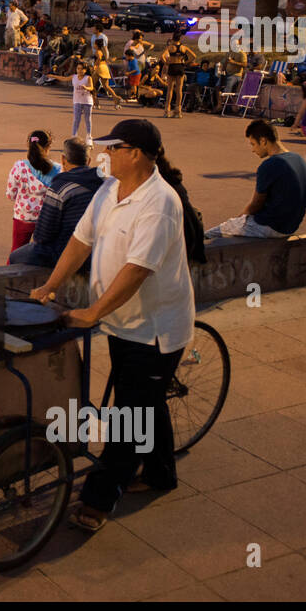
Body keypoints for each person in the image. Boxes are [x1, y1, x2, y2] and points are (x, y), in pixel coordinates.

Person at [31, 119, 195, 533]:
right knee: (145, 401)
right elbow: (80, 241)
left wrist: (93, 312)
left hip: (155, 330)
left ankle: (99, 499)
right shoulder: (108, 190)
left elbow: (137, 270)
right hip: (124, 324)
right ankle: (161, 474)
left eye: (114, 148)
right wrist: (51, 284)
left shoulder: (160, 203)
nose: (106, 154)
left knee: (129, 416)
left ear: (135, 153)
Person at [204, 120, 306, 238]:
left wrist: (240, 219)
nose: (253, 150)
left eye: (253, 144)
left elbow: (256, 204)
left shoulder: (270, 164)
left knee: (213, 233)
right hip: (291, 226)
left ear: (263, 141)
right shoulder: (299, 159)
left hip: (270, 227)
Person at [8, 138, 103, 268]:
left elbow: (42, 236)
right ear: (88, 161)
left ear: (63, 159)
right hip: (96, 251)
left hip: (65, 251)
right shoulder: (104, 184)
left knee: (15, 256)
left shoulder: (60, 188)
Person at [5, 129, 58, 251]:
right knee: (44, 253)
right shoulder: (58, 169)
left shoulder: (19, 167)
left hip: (23, 217)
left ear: (29, 145)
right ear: (48, 146)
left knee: (16, 252)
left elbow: (10, 195)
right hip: (46, 219)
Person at [160, 34, 194, 118]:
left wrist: (166, 63)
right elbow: (193, 56)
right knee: (179, 90)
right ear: (180, 38)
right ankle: (178, 111)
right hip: (180, 67)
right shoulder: (184, 47)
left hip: (172, 66)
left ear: (173, 39)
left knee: (170, 89)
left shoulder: (170, 47)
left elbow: (162, 56)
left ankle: (167, 110)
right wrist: (185, 63)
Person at [71, 60, 95, 146]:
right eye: (78, 68)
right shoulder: (74, 77)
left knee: (87, 119)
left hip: (87, 101)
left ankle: (89, 137)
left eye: (82, 69)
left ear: (85, 70)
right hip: (77, 101)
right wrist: (52, 75)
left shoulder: (88, 78)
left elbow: (92, 88)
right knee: (76, 119)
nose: (79, 70)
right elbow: (63, 78)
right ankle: (74, 136)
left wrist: (86, 87)